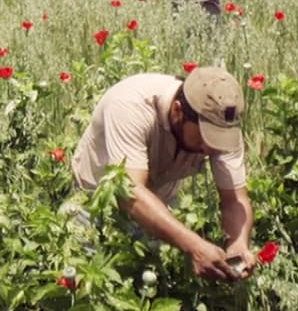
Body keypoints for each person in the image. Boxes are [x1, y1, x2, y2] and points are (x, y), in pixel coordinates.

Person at [71, 66, 257, 281]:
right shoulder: (130, 105)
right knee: (88, 283)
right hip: (94, 203)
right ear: (177, 111)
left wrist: (238, 243)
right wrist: (195, 246)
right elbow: (130, 191)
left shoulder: (223, 126)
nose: (212, 148)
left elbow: (234, 199)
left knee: (152, 283)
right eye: (206, 137)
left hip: (159, 202)